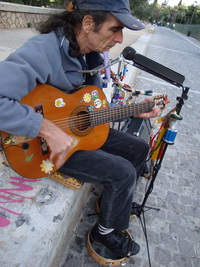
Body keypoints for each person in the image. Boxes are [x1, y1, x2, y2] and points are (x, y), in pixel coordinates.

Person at [0, 0, 160, 259]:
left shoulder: (90, 55)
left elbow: (87, 104)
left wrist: (131, 110)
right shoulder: (43, 51)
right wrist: (45, 128)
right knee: (123, 173)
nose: (120, 39)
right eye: (114, 29)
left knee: (138, 148)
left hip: (74, 134)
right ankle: (105, 232)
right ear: (88, 23)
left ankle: (111, 203)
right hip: (41, 147)